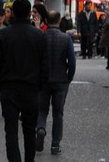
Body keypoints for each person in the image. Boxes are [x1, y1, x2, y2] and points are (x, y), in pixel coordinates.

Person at [0, 0, 48, 162]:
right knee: (29, 130)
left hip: (9, 88)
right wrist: (41, 87)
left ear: (14, 13)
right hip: (31, 89)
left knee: (11, 131)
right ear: (30, 12)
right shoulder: (39, 35)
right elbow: (45, 65)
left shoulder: (3, 35)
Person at [36, 10, 76, 155]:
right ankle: (55, 144)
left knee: (42, 110)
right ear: (59, 21)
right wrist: (68, 78)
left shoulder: (41, 36)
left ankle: (40, 128)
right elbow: (71, 62)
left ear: (46, 21)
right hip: (60, 80)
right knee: (58, 113)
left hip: (43, 80)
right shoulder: (66, 38)